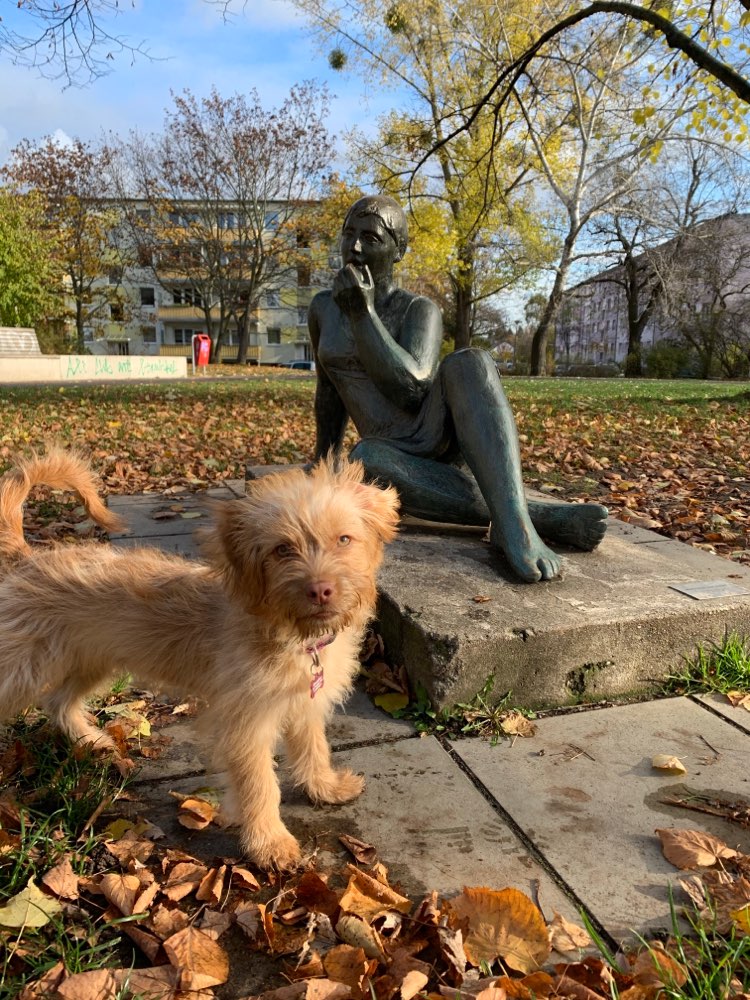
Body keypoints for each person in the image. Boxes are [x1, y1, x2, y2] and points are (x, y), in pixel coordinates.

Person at [307, 194, 608, 583]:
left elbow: (412, 390)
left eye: (372, 238)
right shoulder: (321, 308)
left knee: (472, 362)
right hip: (384, 450)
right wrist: (323, 459)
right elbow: (328, 390)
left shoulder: (418, 310)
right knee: (366, 459)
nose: (356, 247)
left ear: (400, 251)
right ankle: (537, 517)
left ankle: (515, 530)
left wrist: (362, 315)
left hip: (434, 435)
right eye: (348, 235)